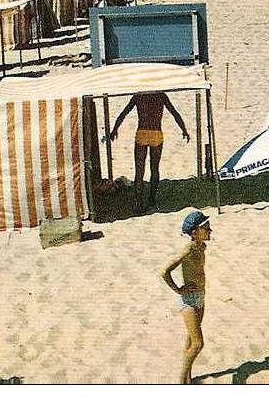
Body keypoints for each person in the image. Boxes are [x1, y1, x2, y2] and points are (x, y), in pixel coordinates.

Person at [110, 92, 190, 212]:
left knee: (139, 169)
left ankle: (139, 203)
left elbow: (124, 113)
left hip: (142, 132)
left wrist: (115, 129)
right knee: (154, 168)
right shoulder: (161, 96)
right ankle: (152, 199)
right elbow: (174, 113)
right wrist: (184, 130)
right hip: (156, 133)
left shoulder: (139, 96)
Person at [162, 210, 211, 384]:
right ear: (195, 232)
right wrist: (178, 290)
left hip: (200, 298)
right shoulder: (188, 249)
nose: (210, 230)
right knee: (198, 344)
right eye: (206, 227)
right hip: (189, 301)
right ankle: (181, 381)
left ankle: (188, 378)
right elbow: (164, 271)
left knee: (190, 340)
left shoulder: (201, 246)